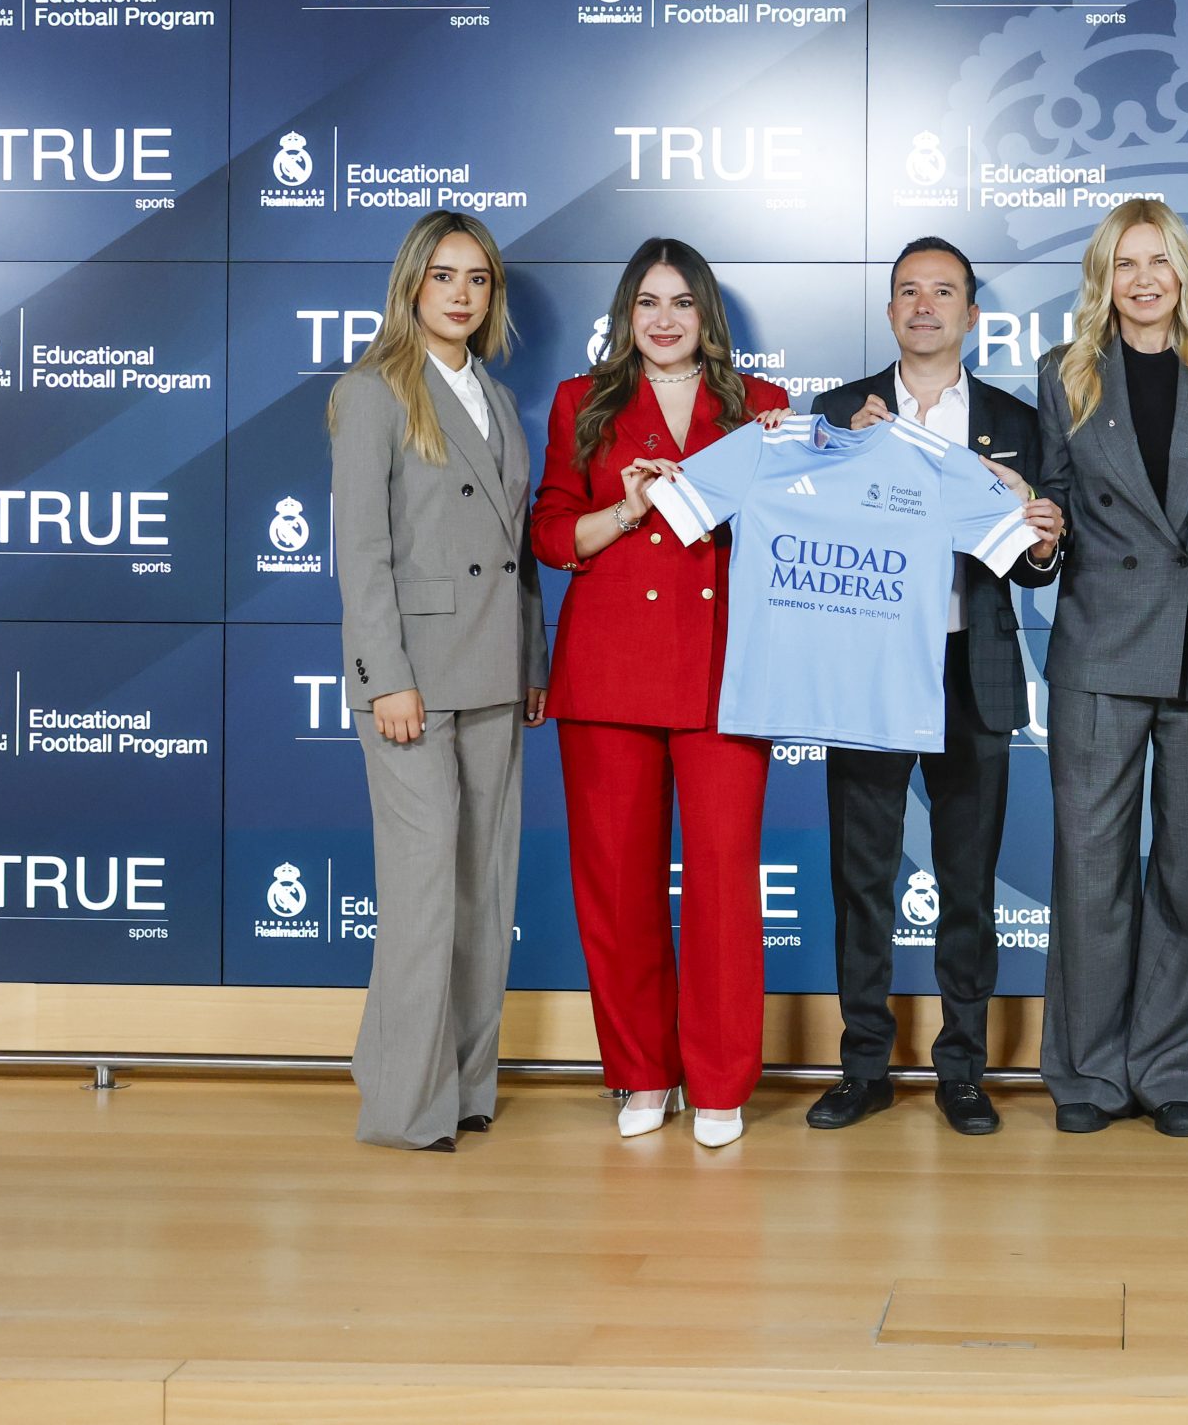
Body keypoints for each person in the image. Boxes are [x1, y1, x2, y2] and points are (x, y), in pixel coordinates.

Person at [804, 238, 1066, 1136]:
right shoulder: (839, 411)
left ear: (971, 315)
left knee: (968, 883)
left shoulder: (1015, 418)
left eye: (943, 291)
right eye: (908, 291)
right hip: (867, 675)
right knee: (862, 878)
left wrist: (1041, 538)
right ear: (888, 312)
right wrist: (845, 462)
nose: (925, 305)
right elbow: (808, 534)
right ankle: (864, 1065)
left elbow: (1035, 565)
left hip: (971, 669)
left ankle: (962, 1067)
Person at [531, 238, 788, 1149]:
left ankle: (720, 1081)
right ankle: (643, 1071)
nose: (665, 319)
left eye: (682, 301)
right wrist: (632, 508)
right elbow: (553, 533)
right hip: (608, 669)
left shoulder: (762, 407)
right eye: (648, 302)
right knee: (616, 883)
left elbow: (797, 536)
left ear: (707, 313)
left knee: (723, 882)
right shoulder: (580, 403)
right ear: (625, 313)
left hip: (727, 670)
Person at [1036, 197, 1188, 1140]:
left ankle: (1182, 1069)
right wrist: (1042, 537)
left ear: (1183, 273)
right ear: (1104, 274)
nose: (1143, 280)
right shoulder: (1066, 373)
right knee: (1091, 870)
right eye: (1125, 263)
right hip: (1098, 643)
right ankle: (1088, 1072)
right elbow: (1053, 498)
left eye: (1159, 262)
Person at [328, 211, 546, 1152]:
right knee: (421, 897)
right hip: (414, 679)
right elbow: (362, 554)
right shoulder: (372, 392)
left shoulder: (494, 397)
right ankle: (404, 1107)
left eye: (479, 279)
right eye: (445, 275)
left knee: (482, 894)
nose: (462, 294)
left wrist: (533, 660)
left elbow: (517, 550)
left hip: (497, 668)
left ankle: (461, 1085)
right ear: (412, 283)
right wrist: (386, 679)